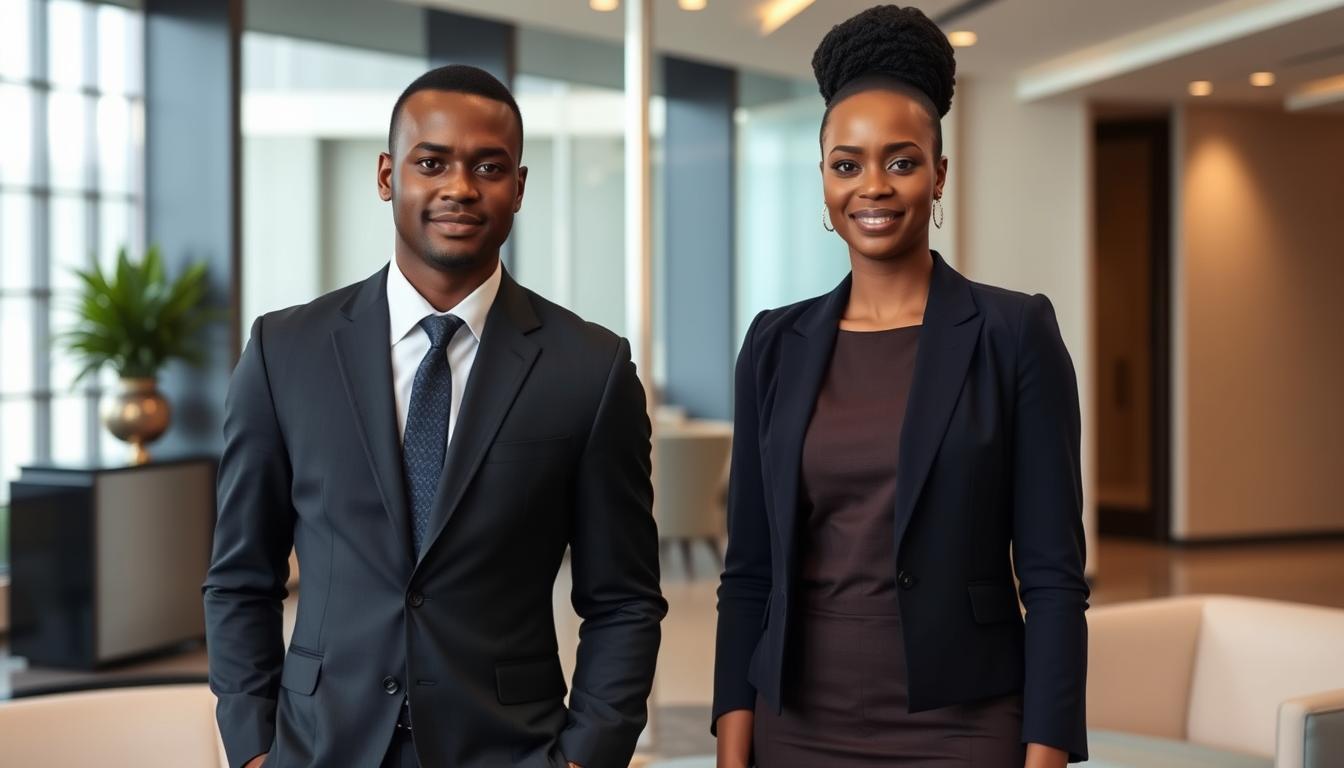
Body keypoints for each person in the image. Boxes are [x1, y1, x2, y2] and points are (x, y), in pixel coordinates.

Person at [205, 64, 666, 768]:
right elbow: (242, 576)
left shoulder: (590, 369)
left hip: (510, 748)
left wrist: (585, 757)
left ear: (519, 186)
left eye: (489, 166)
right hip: (318, 746)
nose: (460, 187)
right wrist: (253, 748)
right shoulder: (283, 352)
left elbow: (624, 600)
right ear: (388, 175)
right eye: (433, 162)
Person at [713, 6, 1088, 767]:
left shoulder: (1013, 334)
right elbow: (748, 567)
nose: (872, 187)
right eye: (846, 164)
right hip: (799, 717)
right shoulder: (774, 344)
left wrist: (1046, 750)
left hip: (965, 718)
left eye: (901, 160)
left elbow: (1052, 578)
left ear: (939, 174)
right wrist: (732, 735)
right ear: (822, 178)